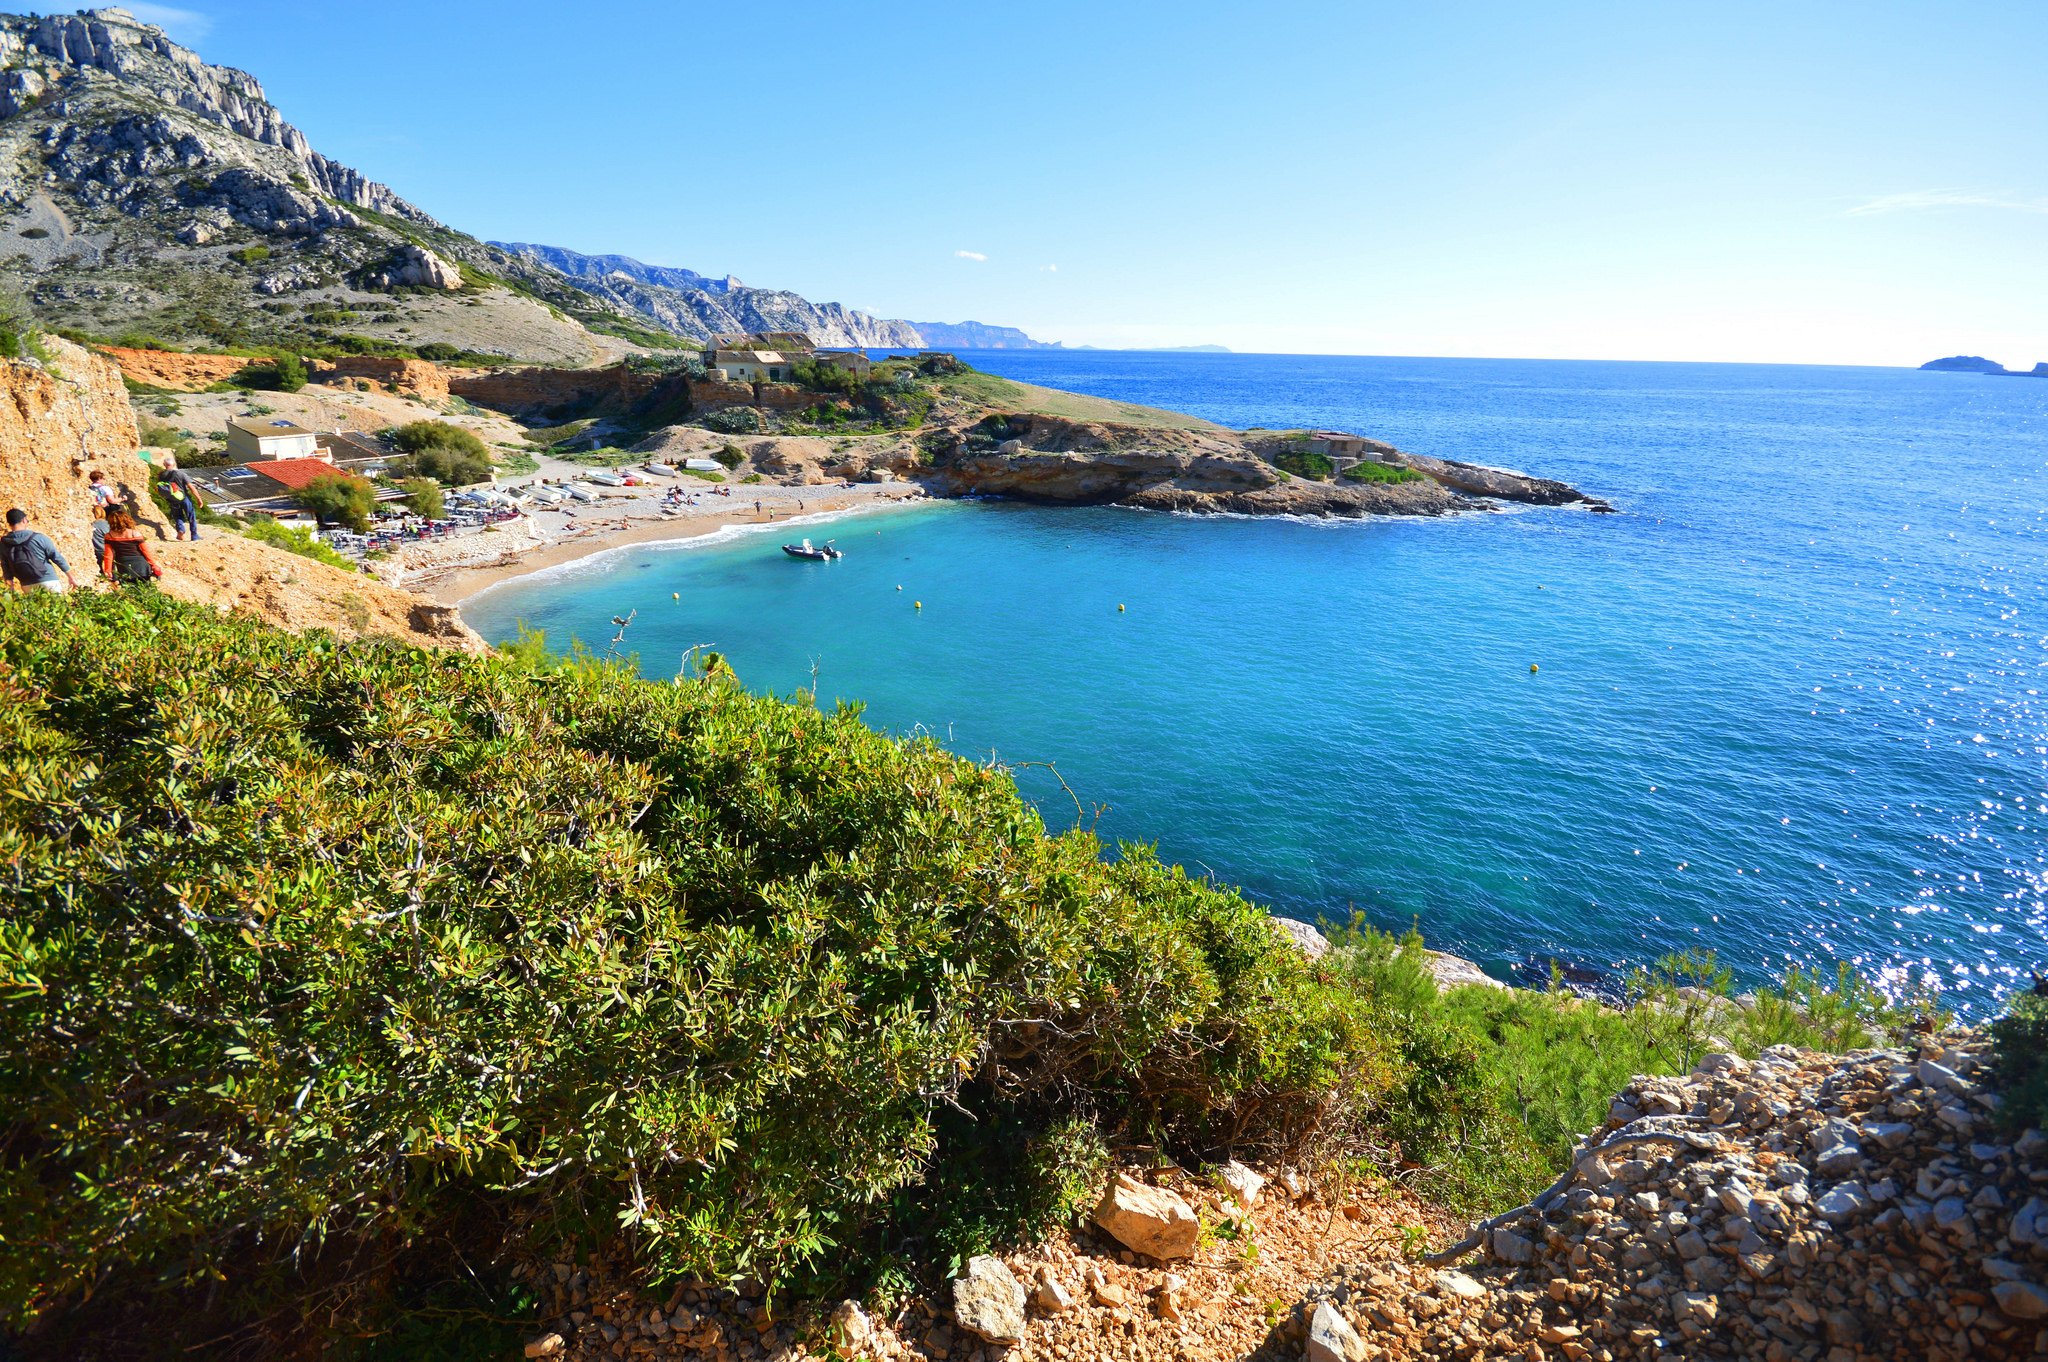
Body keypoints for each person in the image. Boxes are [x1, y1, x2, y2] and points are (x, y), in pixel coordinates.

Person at [1, 507, 78, 593]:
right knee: (57, 605)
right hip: (48, 581)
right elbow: (57, 557)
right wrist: (71, 578)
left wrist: (10, 587)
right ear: (24, 520)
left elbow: (5, 567)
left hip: (27, 585)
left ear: (9, 523)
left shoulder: (4, 544)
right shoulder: (38, 538)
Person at [100, 508, 162, 584]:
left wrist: (108, 570)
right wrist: (153, 565)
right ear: (127, 520)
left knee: (129, 589)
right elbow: (145, 551)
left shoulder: (109, 536)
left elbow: (108, 555)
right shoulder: (135, 534)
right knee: (145, 588)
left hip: (124, 565)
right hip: (140, 564)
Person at [159, 460, 201, 541]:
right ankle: (194, 535)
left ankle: (181, 531)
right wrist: (199, 499)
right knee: (191, 516)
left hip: (172, 499)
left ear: (164, 464)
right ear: (174, 464)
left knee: (177, 516)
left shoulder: (161, 475)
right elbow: (191, 487)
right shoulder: (180, 473)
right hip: (184, 497)